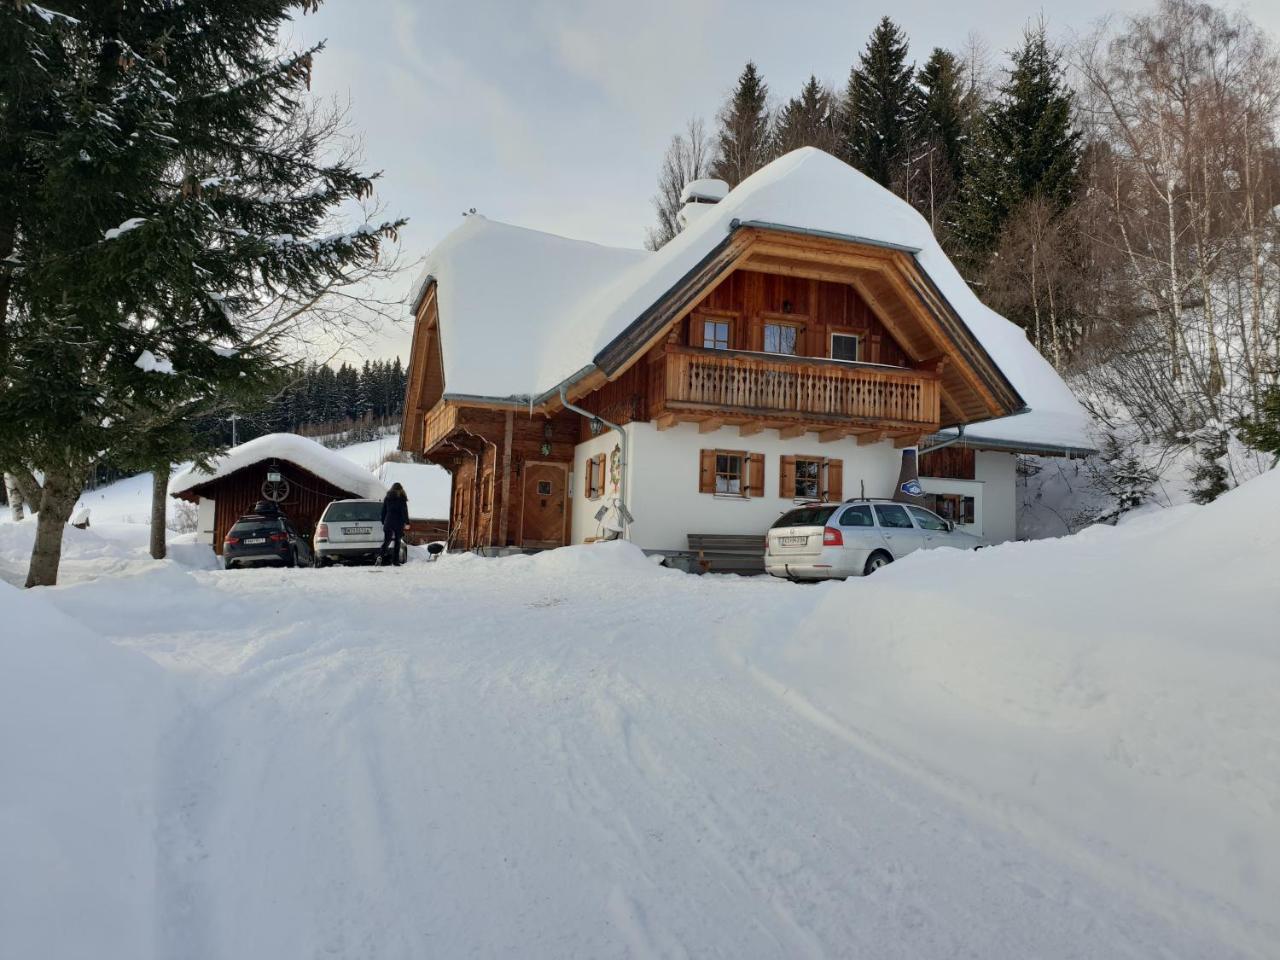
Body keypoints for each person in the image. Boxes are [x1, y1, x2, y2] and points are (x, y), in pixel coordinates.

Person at [379, 482, 409, 566]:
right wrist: (407, 522)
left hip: (388, 522)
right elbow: (404, 511)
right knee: (397, 542)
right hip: (398, 523)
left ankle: (380, 556)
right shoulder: (402, 498)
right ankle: (395, 561)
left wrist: (383, 521)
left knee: (387, 541)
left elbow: (383, 511)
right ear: (401, 489)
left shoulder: (387, 497)